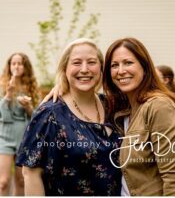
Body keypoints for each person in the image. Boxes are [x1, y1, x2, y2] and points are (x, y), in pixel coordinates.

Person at [16, 39, 121, 196]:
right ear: (65, 68)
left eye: (91, 62)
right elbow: (31, 173)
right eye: (76, 63)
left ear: (101, 68)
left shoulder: (113, 107)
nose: (84, 69)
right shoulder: (50, 114)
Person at [104, 38, 175, 196]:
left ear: (144, 67)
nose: (120, 71)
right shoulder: (123, 109)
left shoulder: (159, 107)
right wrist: (63, 86)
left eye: (128, 63)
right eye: (114, 65)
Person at [0, 53, 38, 196]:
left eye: (20, 63)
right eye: (13, 63)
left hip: (24, 139)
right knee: (3, 182)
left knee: (22, 181)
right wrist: (9, 95)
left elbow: (37, 118)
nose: (16, 66)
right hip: (3, 137)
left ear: (25, 67)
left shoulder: (31, 87)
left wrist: (28, 107)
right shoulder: (0, 85)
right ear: (9, 66)